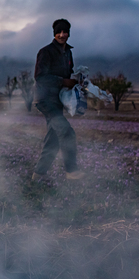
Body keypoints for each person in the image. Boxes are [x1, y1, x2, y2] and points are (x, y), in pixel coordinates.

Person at [33, 18, 85, 182]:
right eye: (59, 32)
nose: (62, 35)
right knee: (66, 131)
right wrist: (63, 81)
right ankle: (71, 170)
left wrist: (76, 81)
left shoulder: (68, 52)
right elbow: (40, 77)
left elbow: (68, 74)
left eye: (65, 31)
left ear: (69, 33)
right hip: (45, 101)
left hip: (58, 100)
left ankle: (37, 177)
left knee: (54, 139)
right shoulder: (46, 52)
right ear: (54, 33)